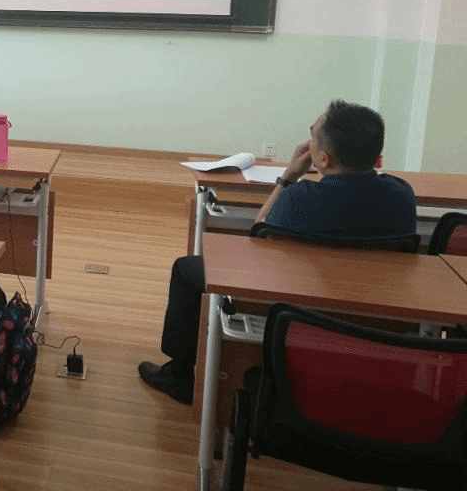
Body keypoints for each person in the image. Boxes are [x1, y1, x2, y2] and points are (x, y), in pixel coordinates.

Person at [138, 99, 417, 405]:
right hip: (376, 315)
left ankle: (179, 375)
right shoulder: (402, 195)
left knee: (185, 269)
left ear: (323, 159)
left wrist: (288, 177)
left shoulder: (301, 197)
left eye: (312, 138)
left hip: (293, 306)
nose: (308, 143)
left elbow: (258, 234)